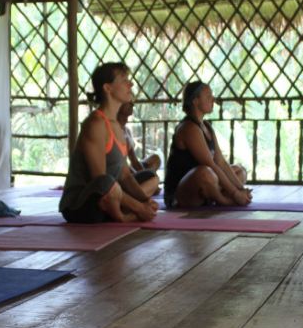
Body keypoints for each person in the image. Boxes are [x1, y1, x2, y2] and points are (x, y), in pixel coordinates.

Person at [59, 62, 158, 223]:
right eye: (124, 80)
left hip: (111, 196)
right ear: (108, 88)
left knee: (151, 177)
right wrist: (140, 207)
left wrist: (145, 200)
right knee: (107, 182)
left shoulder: (117, 127)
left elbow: (125, 175)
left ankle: (121, 209)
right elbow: (99, 180)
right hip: (80, 205)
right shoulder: (96, 124)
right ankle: (123, 216)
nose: (130, 83)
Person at [163, 81, 252, 208]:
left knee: (239, 171)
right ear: (195, 101)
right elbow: (210, 164)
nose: (213, 99)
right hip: (180, 194)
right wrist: (235, 193)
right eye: (208, 96)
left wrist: (241, 189)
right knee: (205, 173)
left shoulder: (207, 127)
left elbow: (221, 162)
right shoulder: (188, 128)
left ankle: (213, 196)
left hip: (207, 182)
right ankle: (225, 201)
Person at [116, 101, 160, 197]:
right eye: (129, 102)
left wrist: (141, 172)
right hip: (121, 176)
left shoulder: (126, 131)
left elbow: (134, 161)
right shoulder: (113, 130)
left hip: (129, 171)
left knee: (155, 159)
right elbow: (123, 170)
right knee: (153, 179)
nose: (132, 104)